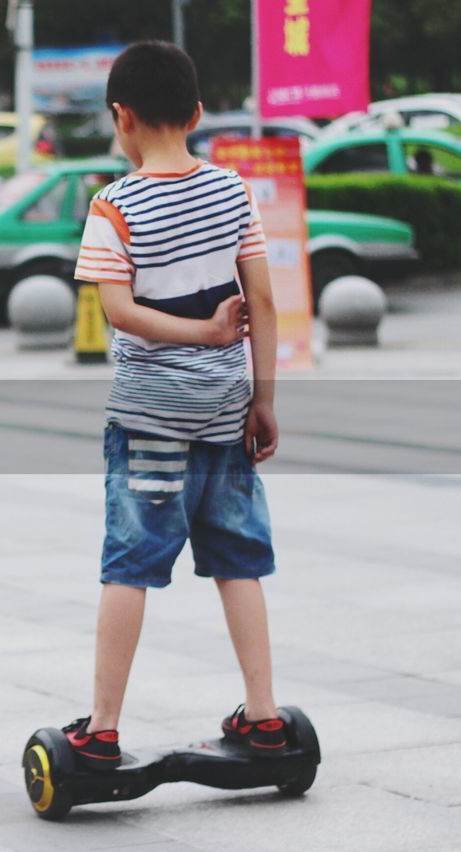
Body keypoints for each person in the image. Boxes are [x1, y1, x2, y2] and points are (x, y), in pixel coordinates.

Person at [63, 42, 283, 768]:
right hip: (226, 411)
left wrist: (196, 330)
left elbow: (120, 313)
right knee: (237, 559)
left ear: (120, 117)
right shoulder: (232, 191)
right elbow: (265, 300)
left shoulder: (113, 205)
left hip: (149, 417)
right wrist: (263, 397)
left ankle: (102, 728)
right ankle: (264, 714)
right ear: (195, 113)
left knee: (130, 564)